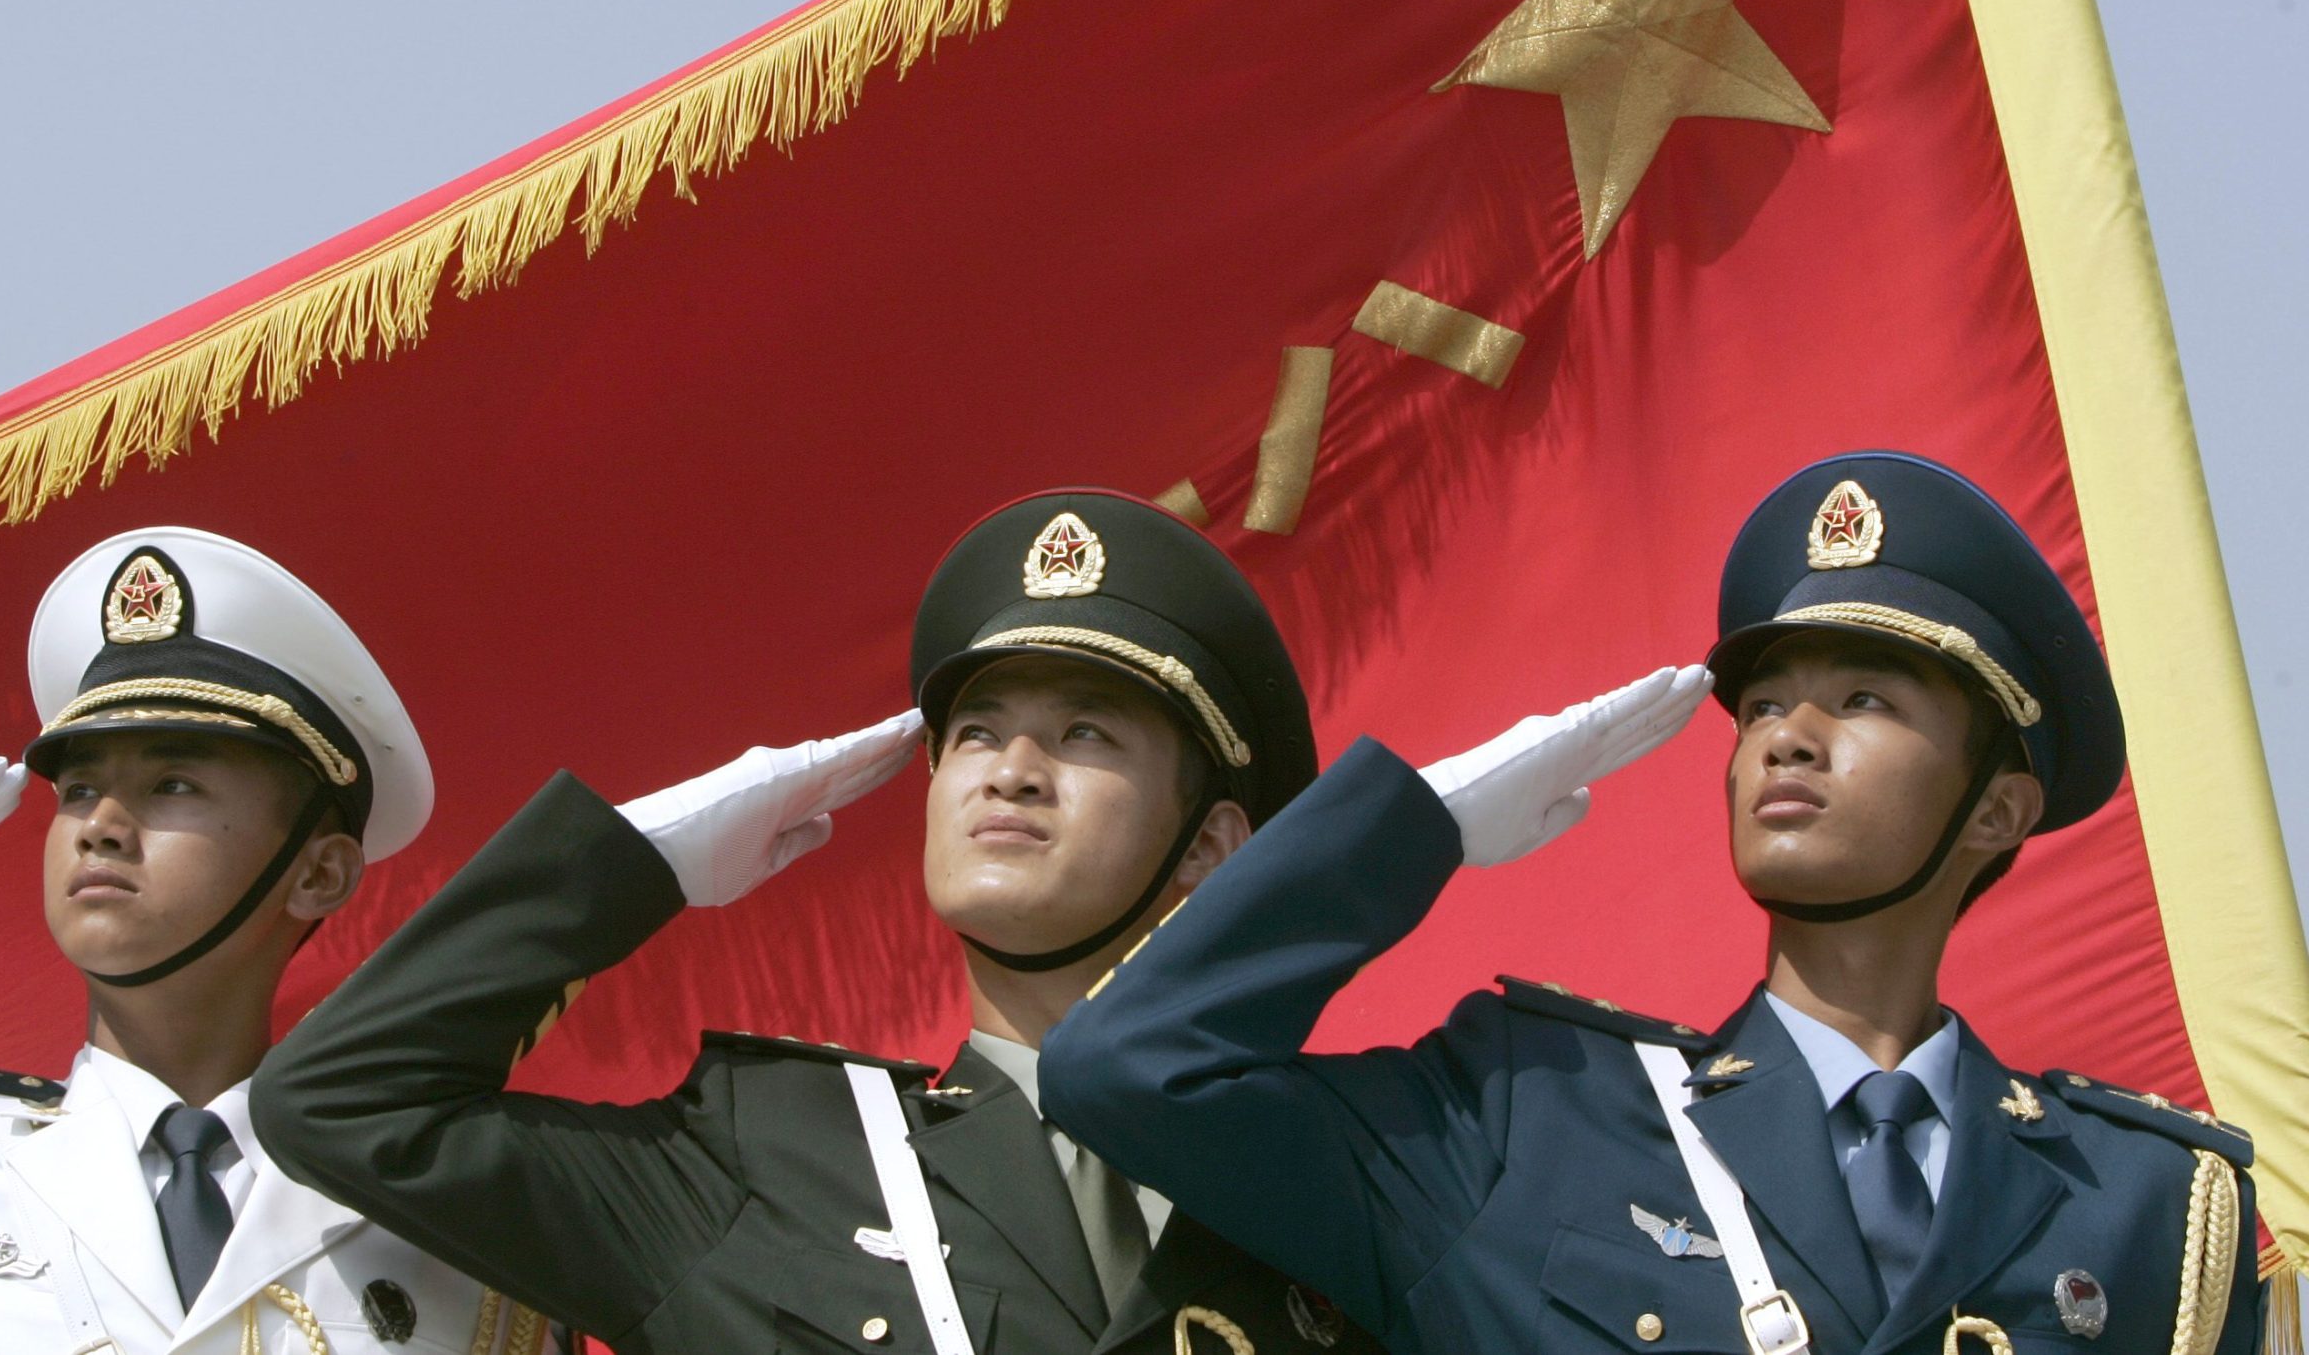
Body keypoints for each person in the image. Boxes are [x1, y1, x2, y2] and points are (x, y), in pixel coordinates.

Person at [252, 488, 1690, 1354]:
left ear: (1213, 846)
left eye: (1084, 732)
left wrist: (1384, 847)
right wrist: (640, 857)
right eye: (978, 731)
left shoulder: (1369, 1157)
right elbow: (341, 1099)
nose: (1008, 766)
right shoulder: (774, 1154)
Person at [1041, 452, 2263, 1355]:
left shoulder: (2146, 1202)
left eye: (1864, 700)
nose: (1788, 735)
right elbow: (1125, 1069)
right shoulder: (1525, 1111)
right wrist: (1413, 824)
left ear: (1995, 809)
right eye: (1765, 703)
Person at [0, 528, 549, 1355]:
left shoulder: (445, 1215)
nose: (99, 825)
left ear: (319, 872)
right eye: (79, 788)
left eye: (172, 783)